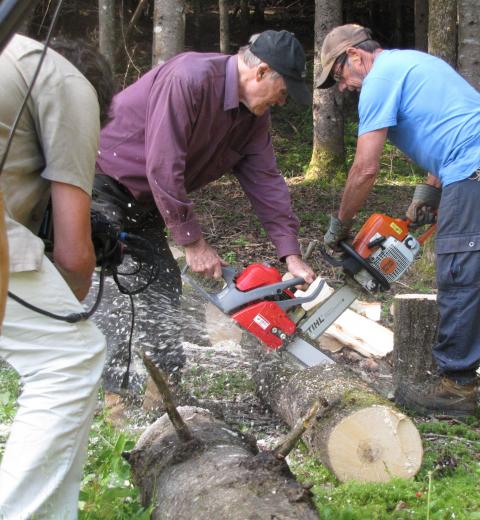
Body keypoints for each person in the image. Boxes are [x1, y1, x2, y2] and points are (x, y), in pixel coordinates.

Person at [318, 24, 480, 416]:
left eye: (339, 75)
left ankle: (456, 386)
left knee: (461, 266)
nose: (343, 87)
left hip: (476, 164)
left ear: (355, 56)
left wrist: (341, 224)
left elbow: (365, 169)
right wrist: (430, 191)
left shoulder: (377, 81)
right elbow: (452, 123)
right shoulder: (412, 62)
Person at [93, 30, 316, 391]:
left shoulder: (253, 119)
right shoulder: (190, 79)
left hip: (146, 198)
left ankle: (162, 389)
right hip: (103, 177)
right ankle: (115, 396)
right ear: (260, 72)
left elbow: (266, 180)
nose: (281, 102)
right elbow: (164, 165)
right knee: (118, 283)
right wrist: (193, 242)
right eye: (282, 92)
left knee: (160, 283)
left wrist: (289, 253)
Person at [0, 35, 113, 518]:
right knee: (70, 359)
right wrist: (73, 298)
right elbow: (72, 253)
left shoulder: (15, 54)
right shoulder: (68, 82)